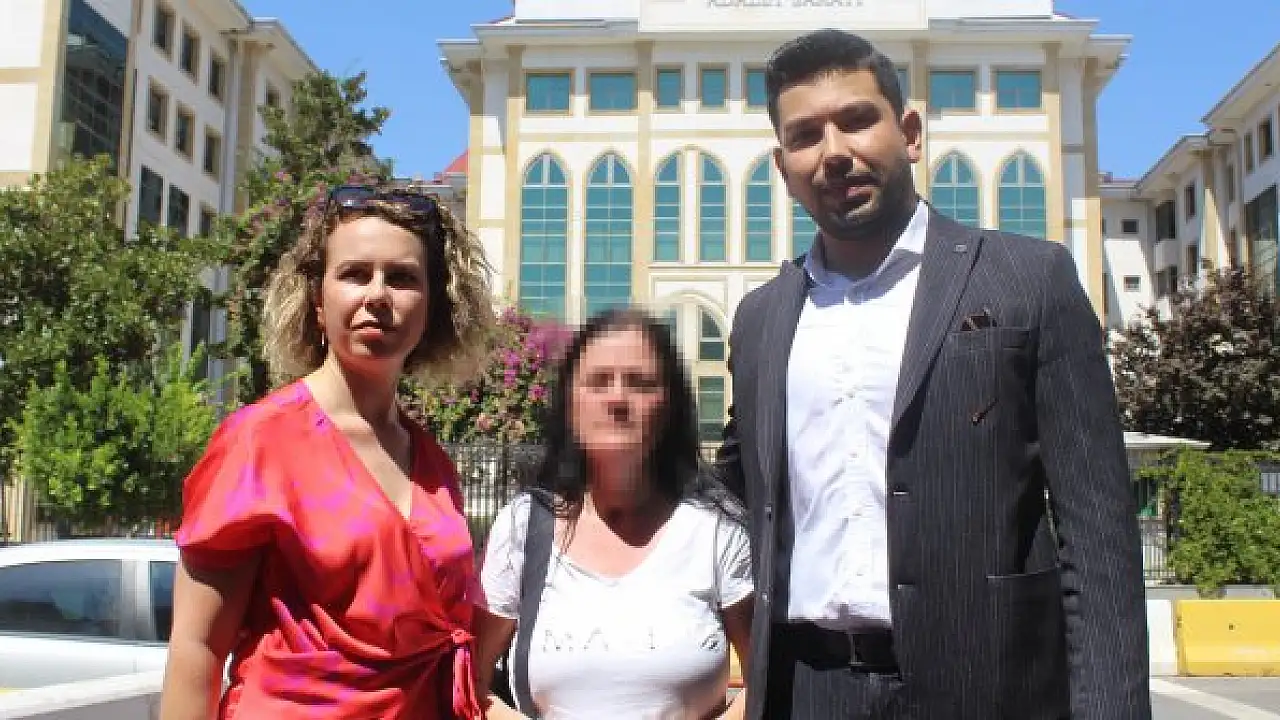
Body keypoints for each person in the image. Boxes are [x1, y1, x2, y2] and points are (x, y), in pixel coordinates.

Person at [710, 28, 1152, 719]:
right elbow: (732, 495)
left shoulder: (1029, 281)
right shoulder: (762, 319)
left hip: (989, 690)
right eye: (806, 135)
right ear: (783, 165)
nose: (835, 151)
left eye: (857, 119)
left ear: (910, 133)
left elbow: (1097, 535)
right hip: (805, 692)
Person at [158, 182, 497, 719]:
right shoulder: (260, 441)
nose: (378, 295)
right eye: (355, 274)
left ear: (434, 307)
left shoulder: (432, 462)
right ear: (318, 302)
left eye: (403, 278)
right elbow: (196, 648)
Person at [472, 307, 754, 719]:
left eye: (640, 383)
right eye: (599, 381)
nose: (618, 399)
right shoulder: (523, 526)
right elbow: (471, 684)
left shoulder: (717, 529)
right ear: (570, 402)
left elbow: (762, 682)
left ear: (670, 405)